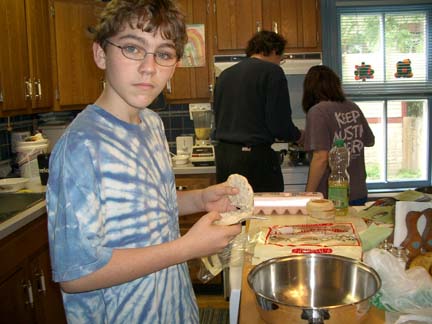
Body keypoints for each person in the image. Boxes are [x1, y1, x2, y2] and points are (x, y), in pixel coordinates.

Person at [46, 1, 242, 323]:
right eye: (133, 48)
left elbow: (147, 207)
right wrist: (186, 248)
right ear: (100, 54)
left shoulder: (151, 123)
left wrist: (199, 199)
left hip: (174, 306)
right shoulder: (81, 147)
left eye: (163, 54)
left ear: (175, 64)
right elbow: (76, 276)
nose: (149, 67)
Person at [213, 30, 303, 193]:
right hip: (254, 160)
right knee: (266, 213)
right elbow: (279, 124)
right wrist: (298, 136)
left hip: (225, 158)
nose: (279, 63)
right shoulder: (272, 72)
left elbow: (219, 116)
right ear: (274, 51)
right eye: (280, 58)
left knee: (231, 212)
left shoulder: (225, 75)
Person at [302, 65, 375, 205]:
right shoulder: (353, 107)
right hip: (358, 191)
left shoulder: (317, 111)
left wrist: (308, 195)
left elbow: (321, 158)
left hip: (332, 195)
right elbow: (369, 141)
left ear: (310, 89)